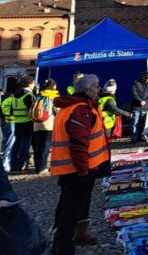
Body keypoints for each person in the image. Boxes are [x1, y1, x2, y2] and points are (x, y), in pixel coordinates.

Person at [50, 74, 110, 254]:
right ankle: (62, 248)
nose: (99, 89)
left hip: (81, 167)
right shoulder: (80, 110)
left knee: (80, 204)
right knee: (70, 210)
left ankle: (79, 234)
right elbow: (78, 143)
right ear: (86, 90)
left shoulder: (76, 107)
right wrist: (83, 170)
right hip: (79, 169)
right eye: (96, 86)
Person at [3, 77, 34, 172]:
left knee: (16, 144)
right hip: (27, 122)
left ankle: (13, 164)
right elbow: (33, 111)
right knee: (25, 145)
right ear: (30, 84)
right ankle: (21, 164)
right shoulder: (29, 95)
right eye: (33, 84)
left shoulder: (15, 96)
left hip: (17, 122)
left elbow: (12, 111)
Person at [30, 78, 58, 174]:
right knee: (45, 146)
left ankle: (37, 166)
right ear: (53, 86)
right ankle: (43, 167)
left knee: (38, 146)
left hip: (36, 124)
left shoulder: (38, 96)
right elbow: (58, 110)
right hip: (48, 125)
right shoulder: (53, 96)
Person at [129, 71, 148, 146]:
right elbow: (134, 93)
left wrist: (145, 101)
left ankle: (139, 136)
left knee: (142, 124)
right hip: (136, 106)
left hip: (145, 107)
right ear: (142, 77)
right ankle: (134, 139)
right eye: (146, 78)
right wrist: (140, 101)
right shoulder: (136, 82)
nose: (147, 79)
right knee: (134, 123)